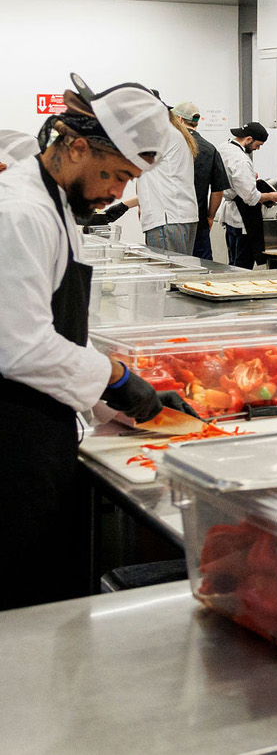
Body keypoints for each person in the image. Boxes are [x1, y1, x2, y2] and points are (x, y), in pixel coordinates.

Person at [0, 74, 179, 609]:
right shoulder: (21, 213)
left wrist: (111, 404)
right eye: (116, 175)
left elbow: (55, 332)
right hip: (11, 444)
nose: (117, 193)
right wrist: (118, 381)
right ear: (76, 146)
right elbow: (21, 347)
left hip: (39, 431)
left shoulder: (56, 205)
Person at [218, 121, 277, 268]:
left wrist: (248, 178)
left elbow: (232, 178)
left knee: (232, 263)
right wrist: (271, 197)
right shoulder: (241, 159)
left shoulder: (224, 148)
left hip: (230, 218)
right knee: (242, 266)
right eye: (257, 145)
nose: (257, 149)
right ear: (248, 139)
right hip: (241, 219)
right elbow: (250, 197)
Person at [134, 111, 199, 254]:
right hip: (179, 217)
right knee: (181, 272)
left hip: (167, 220)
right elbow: (158, 180)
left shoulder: (157, 135)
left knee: (167, 273)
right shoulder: (173, 133)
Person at [172, 102, 230, 261]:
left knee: (175, 266)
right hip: (199, 221)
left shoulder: (172, 146)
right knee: (202, 268)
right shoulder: (210, 149)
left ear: (179, 119)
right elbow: (218, 191)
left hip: (174, 220)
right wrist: (210, 217)